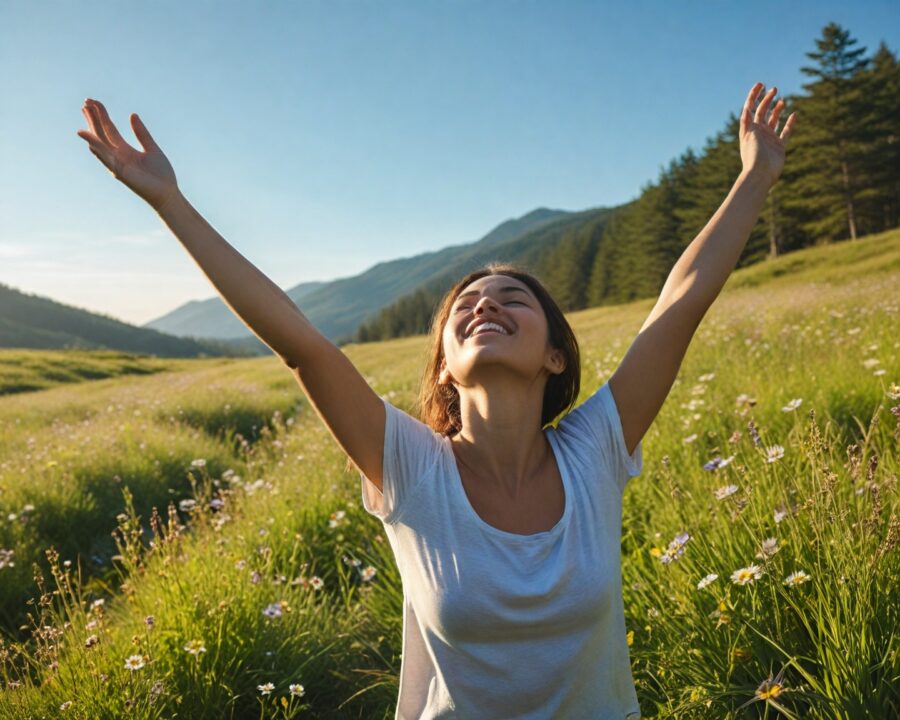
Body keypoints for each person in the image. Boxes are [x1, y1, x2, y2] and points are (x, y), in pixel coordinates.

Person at [77, 82, 796, 718]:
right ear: (445, 368)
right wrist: (170, 202)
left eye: (511, 299)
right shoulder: (412, 470)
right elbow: (302, 345)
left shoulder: (596, 451)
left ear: (555, 355)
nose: (484, 307)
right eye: (465, 307)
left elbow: (680, 303)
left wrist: (756, 179)